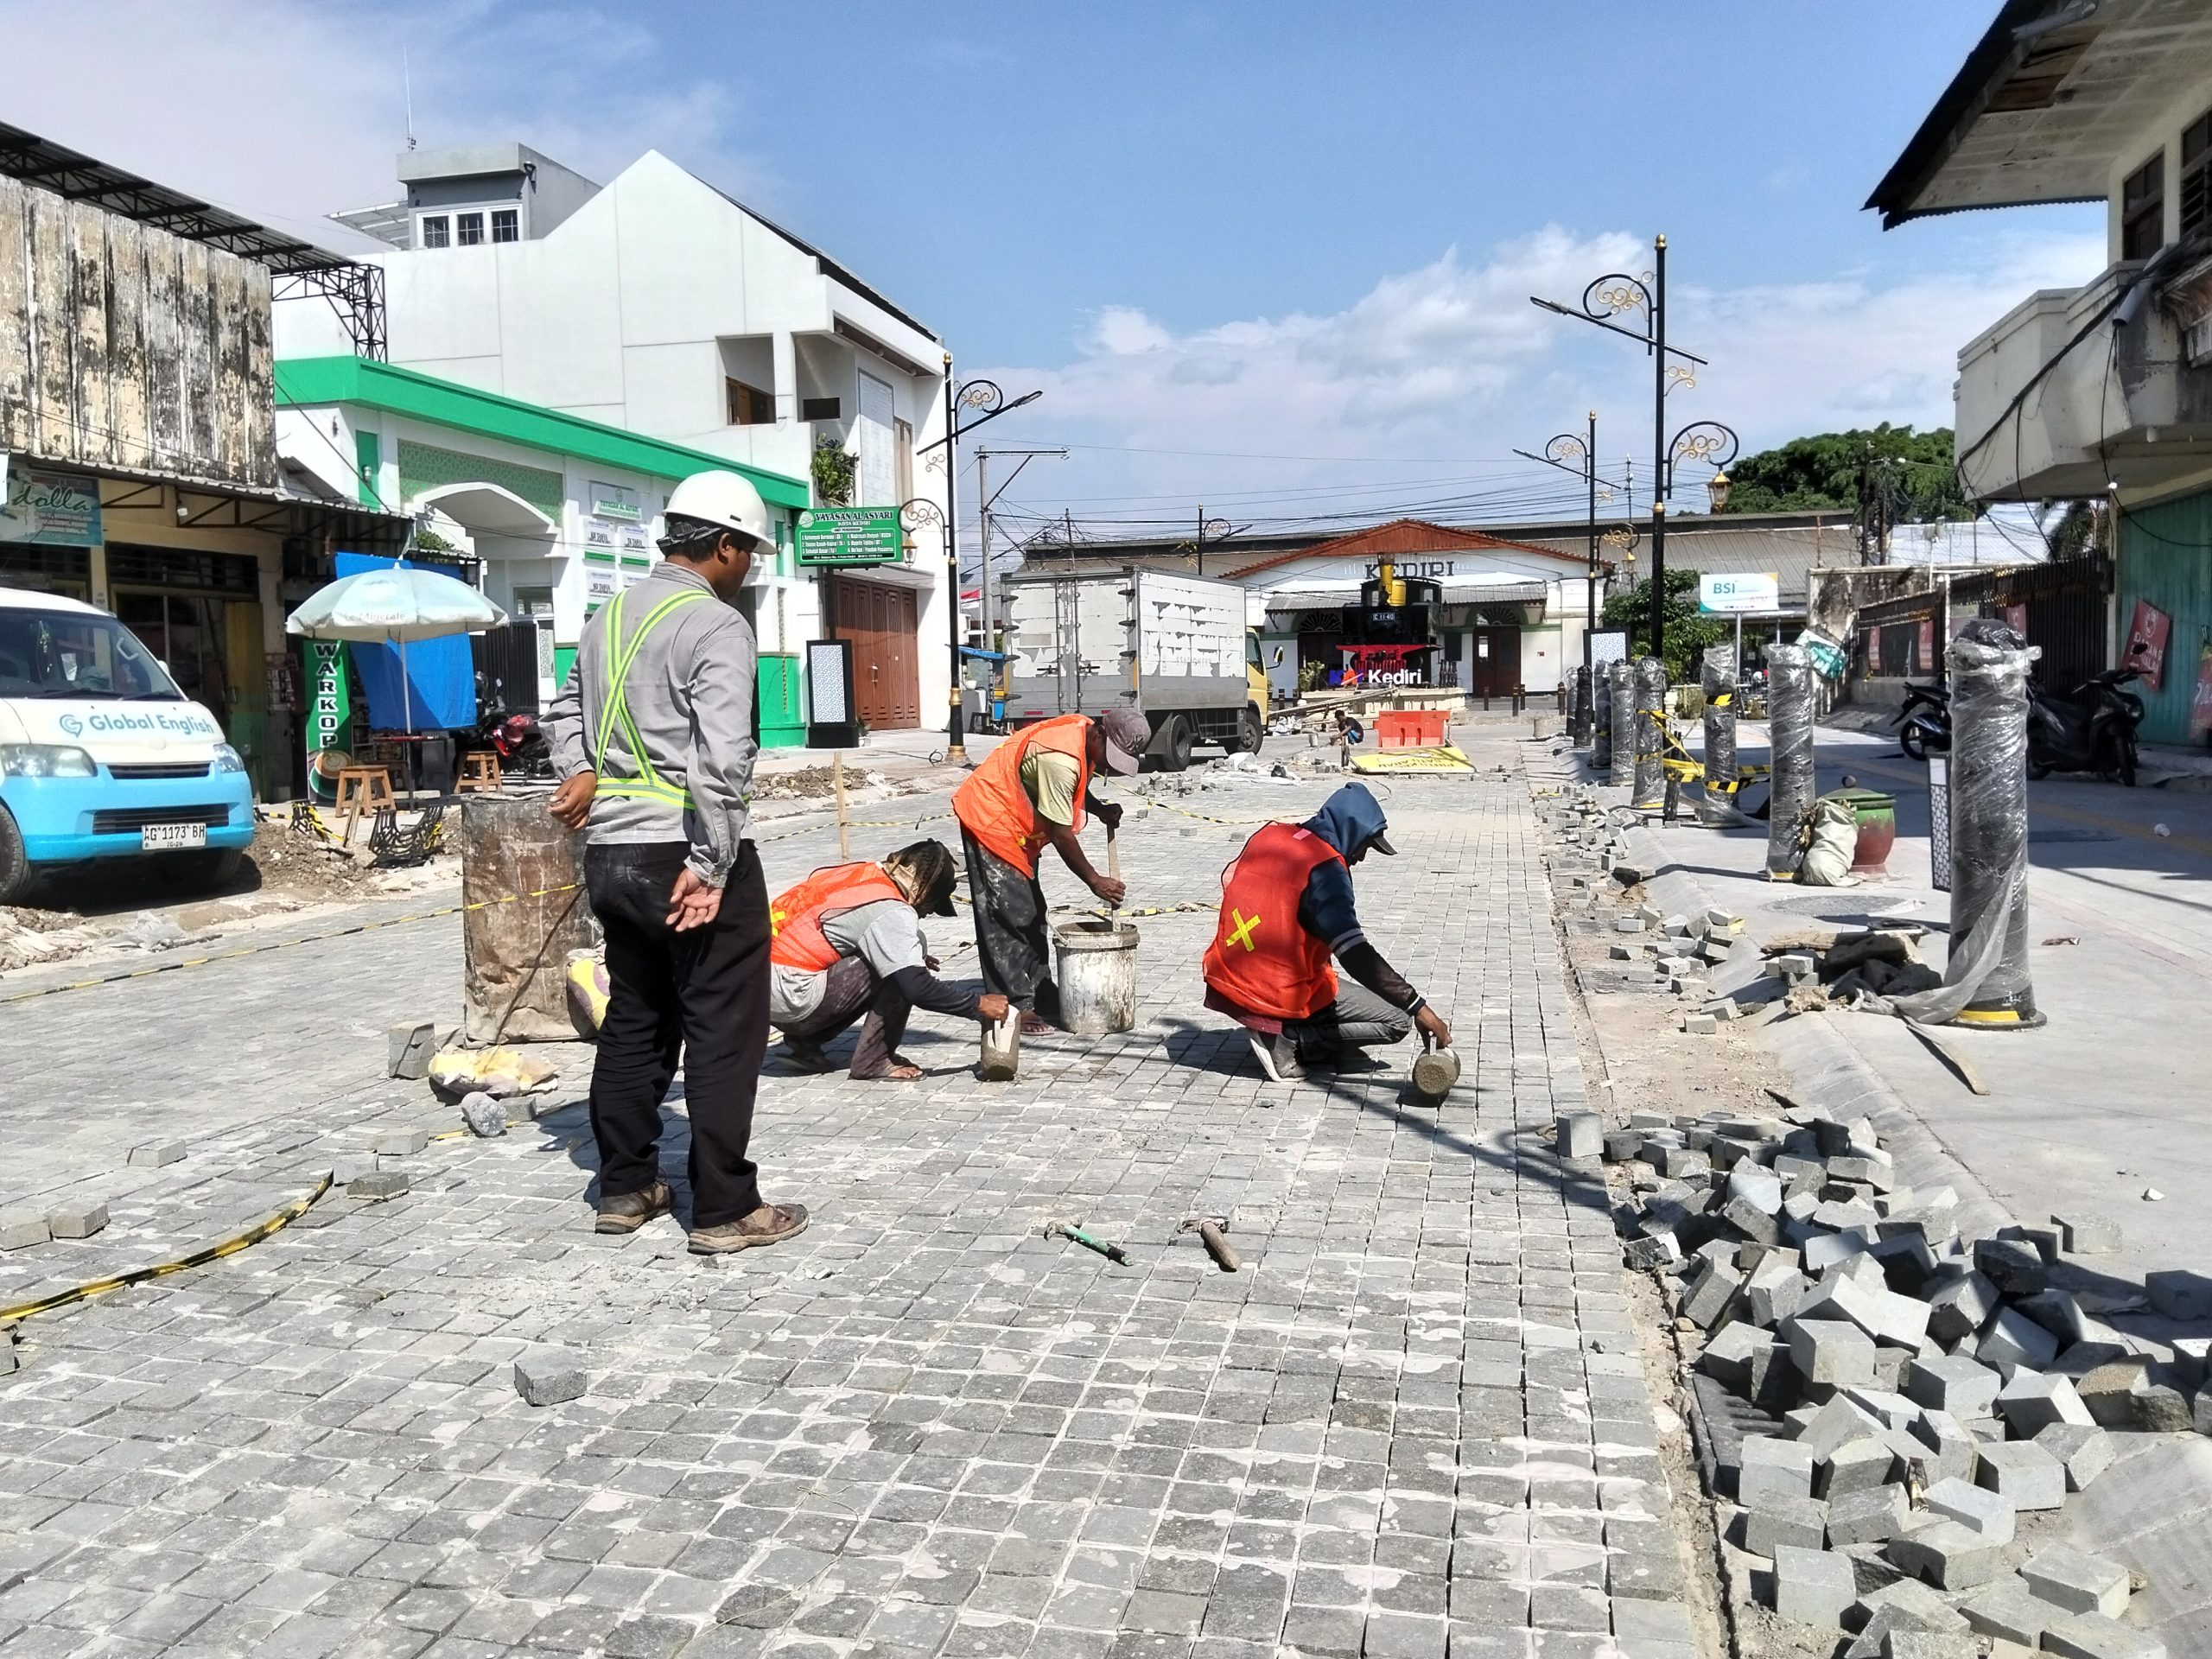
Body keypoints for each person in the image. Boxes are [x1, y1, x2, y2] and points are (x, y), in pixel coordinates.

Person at [543, 470, 806, 1255]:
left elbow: (561, 711)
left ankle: (626, 1187)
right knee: (724, 1029)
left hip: (612, 856)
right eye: (749, 551)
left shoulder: (607, 617)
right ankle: (726, 1209)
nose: (751, 565)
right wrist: (714, 861)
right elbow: (722, 758)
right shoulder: (715, 625)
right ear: (722, 545)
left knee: (636, 1018)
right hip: (682, 851)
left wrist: (581, 766)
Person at [1201, 780, 1453, 1081]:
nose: (1361, 857)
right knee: (1396, 1020)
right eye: (1364, 845)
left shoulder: (1276, 835)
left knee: (1328, 979)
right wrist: (1418, 1008)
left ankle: (1283, 1029)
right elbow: (1357, 956)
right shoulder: (1326, 871)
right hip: (1276, 988)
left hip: (1232, 973)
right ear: (1350, 832)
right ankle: (1288, 1037)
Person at [950, 707, 1151, 1033]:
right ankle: (1016, 1004)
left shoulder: (1082, 735)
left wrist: (1098, 808)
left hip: (1019, 830)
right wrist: (1095, 880)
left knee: (1033, 911)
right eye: (1110, 755)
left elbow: (1069, 788)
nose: (1110, 766)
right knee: (1008, 913)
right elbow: (1060, 832)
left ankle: (1041, 993)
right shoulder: (1058, 759)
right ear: (1099, 732)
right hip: (991, 820)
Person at [768, 839, 1011, 1080]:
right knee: (899, 972)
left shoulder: (863, 874)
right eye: (932, 906)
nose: (926, 914)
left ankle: (805, 1041)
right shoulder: (890, 909)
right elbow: (917, 988)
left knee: (905, 949)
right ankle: (873, 1061)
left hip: (760, 995)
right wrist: (978, 1004)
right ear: (924, 889)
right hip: (793, 999)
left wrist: (908, 951)